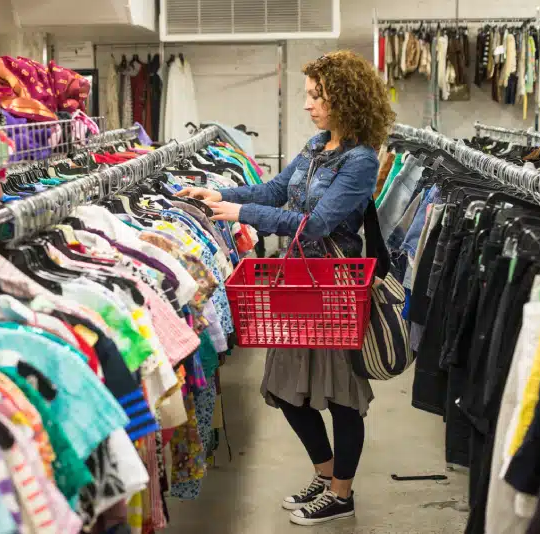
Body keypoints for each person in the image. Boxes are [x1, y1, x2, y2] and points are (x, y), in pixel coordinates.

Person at [176, 50, 396, 526]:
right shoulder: (319, 146)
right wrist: (220, 195)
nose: (308, 105)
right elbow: (276, 191)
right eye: (309, 95)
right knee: (284, 390)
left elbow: (316, 224)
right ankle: (327, 474)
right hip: (295, 283)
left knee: (341, 398)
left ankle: (342, 494)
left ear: (346, 98)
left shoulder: (359, 162)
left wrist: (242, 215)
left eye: (317, 96)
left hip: (335, 287)